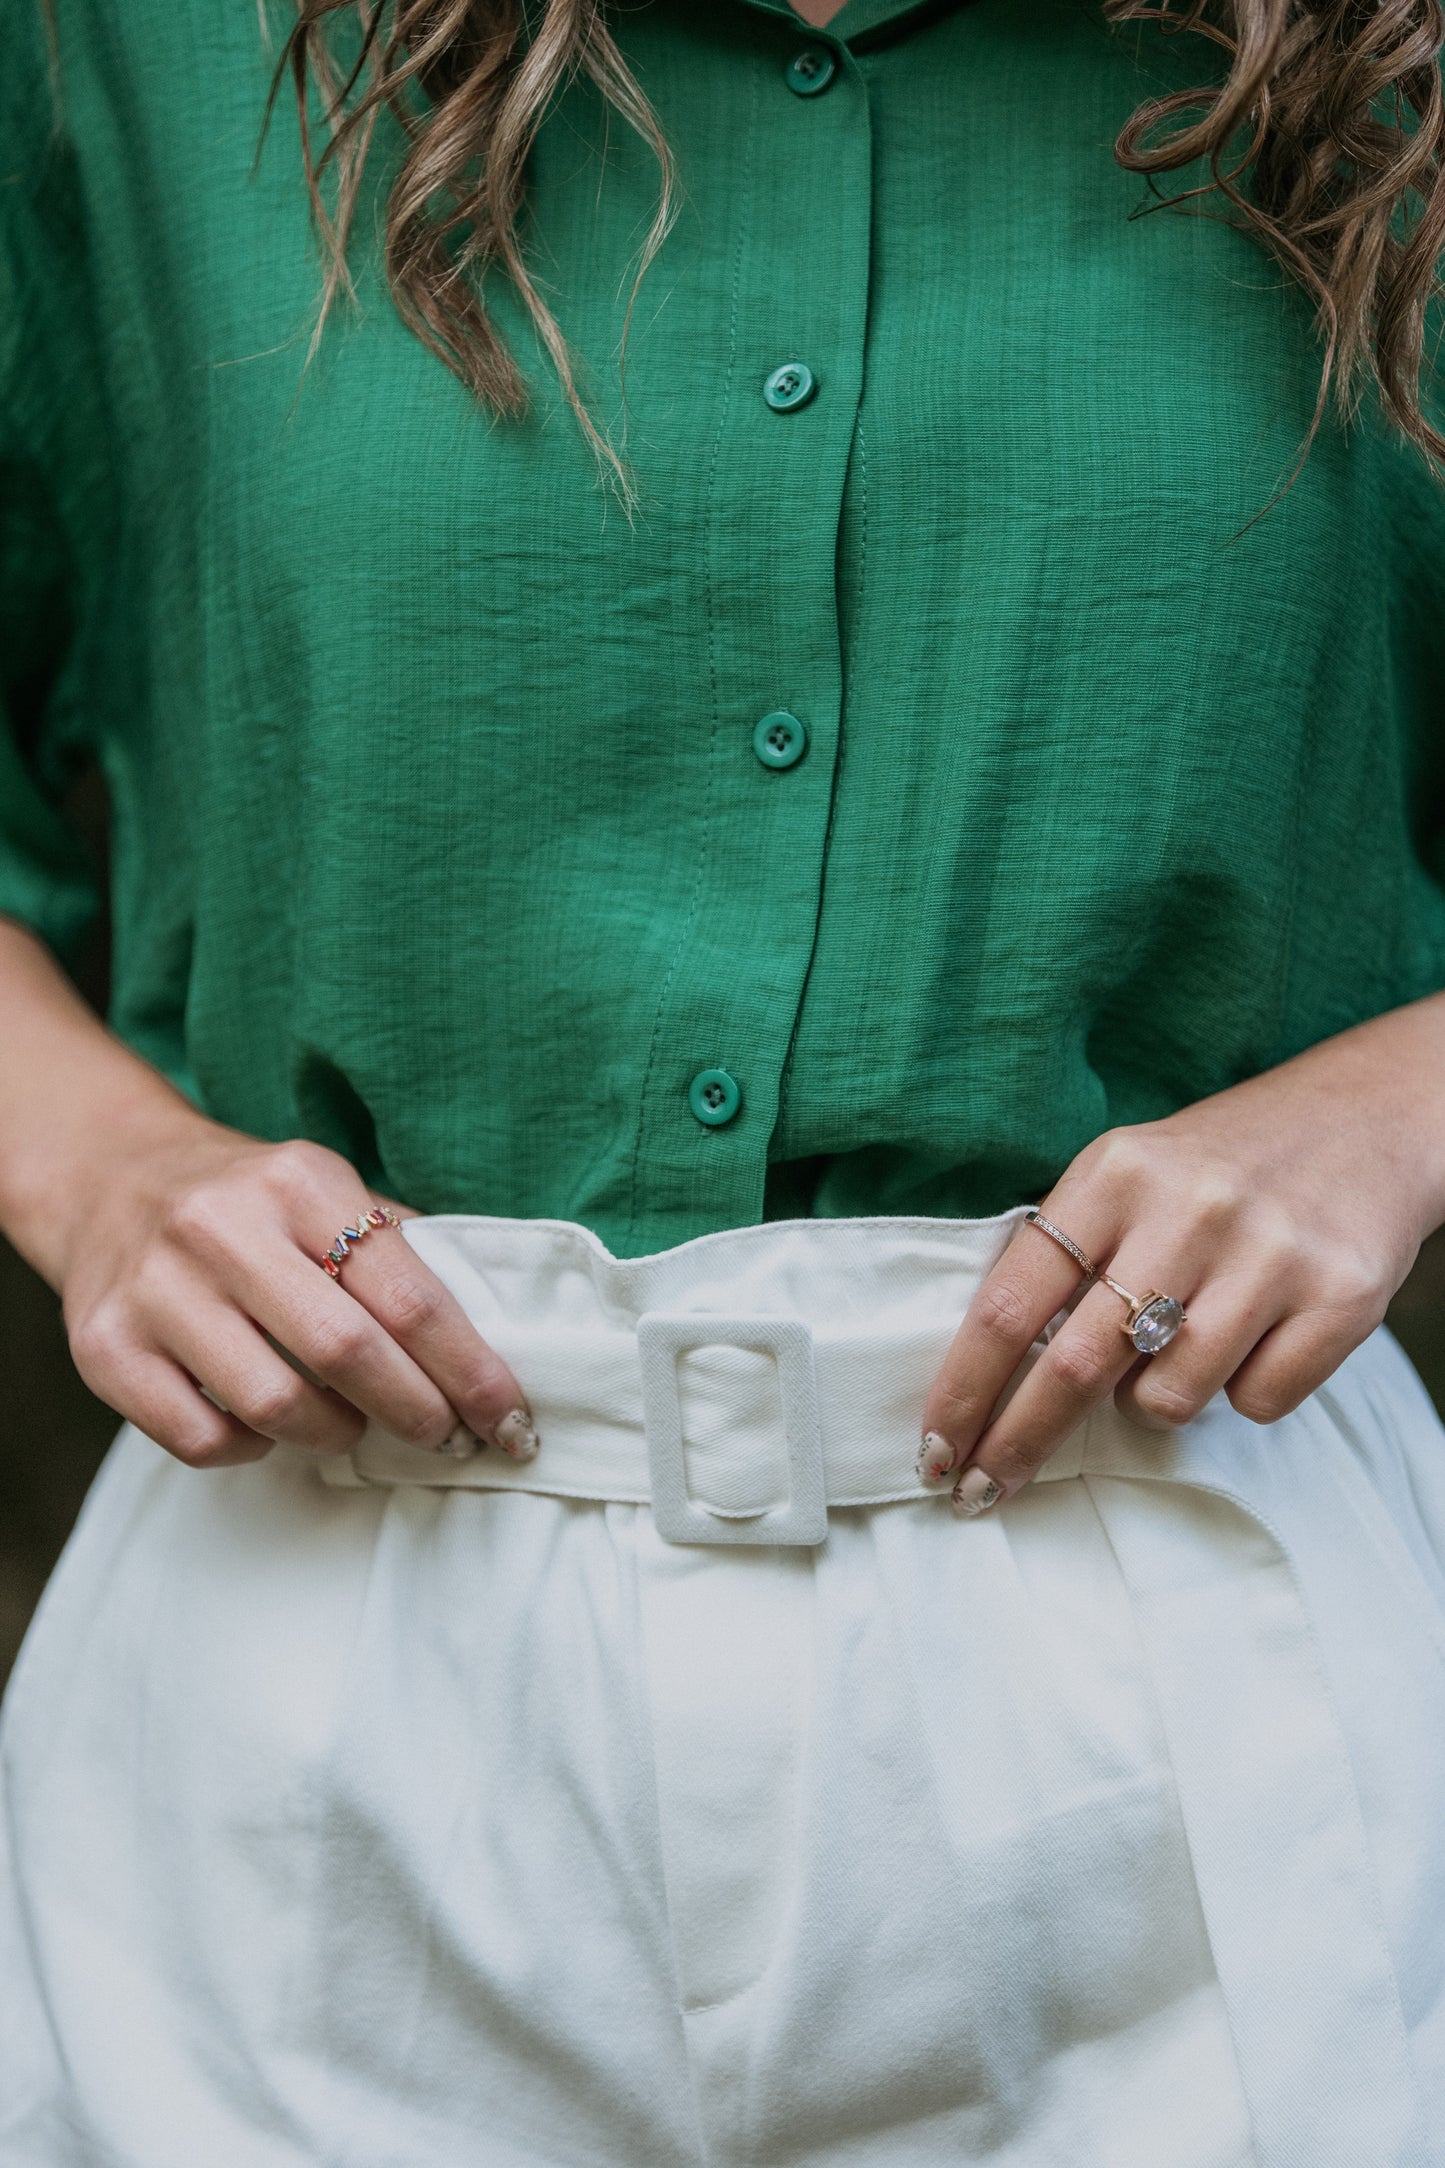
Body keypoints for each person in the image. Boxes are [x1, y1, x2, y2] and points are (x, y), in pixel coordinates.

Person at [3, 0, 1445, 2160]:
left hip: (1186, 1654)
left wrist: (1408, 1101)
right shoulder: (125, 42)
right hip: (309, 1678)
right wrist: (91, 1158)